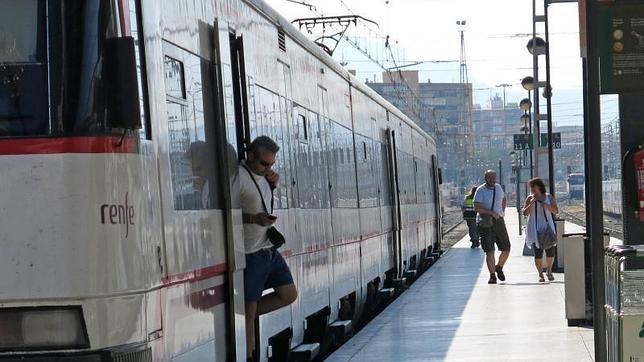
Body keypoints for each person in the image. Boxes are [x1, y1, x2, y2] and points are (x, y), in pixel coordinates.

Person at [240, 136, 297, 360]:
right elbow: (225, 212)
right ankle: (249, 354)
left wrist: (272, 181)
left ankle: (244, 314)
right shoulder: (239, 178)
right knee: (249, 308)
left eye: (272, 164)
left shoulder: (265, 177)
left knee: (289, 294)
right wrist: (254, 219)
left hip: (268, 249)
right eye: (264, 163)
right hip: (250, 252)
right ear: (251, 155)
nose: (268, 168)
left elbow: (262, 191)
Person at [474, 170, 511, 284]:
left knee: (506, 247)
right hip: (486, 223)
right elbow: (476, 207)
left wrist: (502, 211)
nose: (492, 179)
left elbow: (504, 199)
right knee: (490, 250)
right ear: (485, 178)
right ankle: (492, 275)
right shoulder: (481, 190)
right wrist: (490, 213)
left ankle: (499, 267)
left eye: (494, 177)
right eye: (490, 177)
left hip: (499, 221)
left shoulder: (499, 187)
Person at [522, 177, 559, 283]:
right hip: (534, 229)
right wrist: (532, 202)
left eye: (534, 186)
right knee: (538, 253)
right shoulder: (530, 198)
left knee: (550, 252)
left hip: (547, 228)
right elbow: (525, 213)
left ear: (539, 186)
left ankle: (549, 270)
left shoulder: (548, 197)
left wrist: (546, 205)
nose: (532, 189)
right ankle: (540, 274)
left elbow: (556, 211)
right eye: (531, 187)